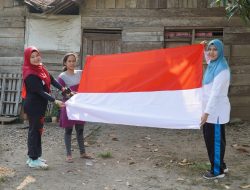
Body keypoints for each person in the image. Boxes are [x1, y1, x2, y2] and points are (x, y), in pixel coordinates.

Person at [22, 46, 66, 169]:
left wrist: (62, 88)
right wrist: (55, 101)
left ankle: (35, 156)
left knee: (38, 130)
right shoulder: (29, 74)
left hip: (40, 105)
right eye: (32, 57)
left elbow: (51, 80)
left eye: (37, 55)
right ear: (27, 59)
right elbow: (40, 92)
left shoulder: (41, 68)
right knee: (34, 132)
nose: (36, 58)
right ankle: (32, 159)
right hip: (33, 106)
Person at [200, 39, 231, 179]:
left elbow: (215, 94)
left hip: (215, 112)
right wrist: (202, 48)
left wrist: (206, 113)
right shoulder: (213, 64)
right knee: (213, 140)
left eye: (215, 49)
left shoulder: (222, 70)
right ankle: (221, 165)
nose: (211, 53)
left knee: (215, 141)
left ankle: (217, 171)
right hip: (210, 111)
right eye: (209, 49)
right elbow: (208, 58)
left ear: (221, 51)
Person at [58, 53, 93, 163]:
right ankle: (69, 155)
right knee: (68, 130)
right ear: (65, 63)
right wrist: (74, 95)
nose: (72, 63)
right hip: (69, 105)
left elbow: (90, 80)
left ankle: (83, 153)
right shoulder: (62, 76)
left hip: (80, 105)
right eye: (69, 61)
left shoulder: (81, 73)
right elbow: (62, 91)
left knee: (80, 130)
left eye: (73, 61)